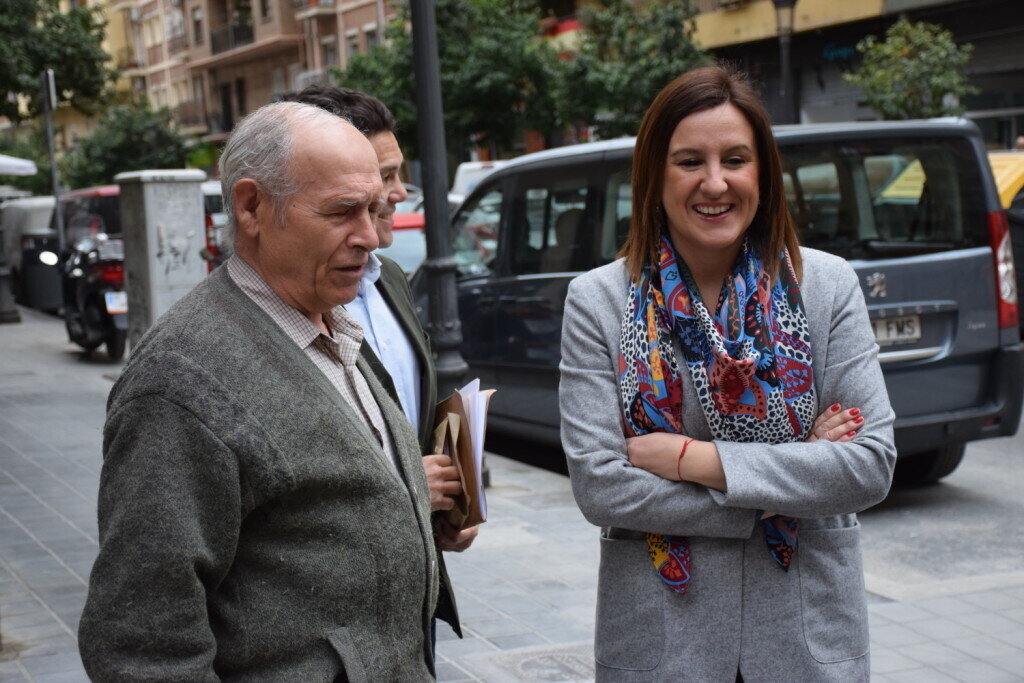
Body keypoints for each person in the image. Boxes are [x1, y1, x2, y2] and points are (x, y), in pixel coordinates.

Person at [79, 102, 439, 680]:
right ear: (252, 207)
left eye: (373, 209)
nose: (371, 237)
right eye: (342, 211)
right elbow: (142, 644)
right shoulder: (179, 382)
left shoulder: (331, 320)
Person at [558, 65, 896, 681]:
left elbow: (868, 466)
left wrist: (692, 460)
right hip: (662, 643)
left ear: (762, 172)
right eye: (690, 161)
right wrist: (793, 473)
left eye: (735, 160)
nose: (715, 183)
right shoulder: (598, 301)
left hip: (806, 638)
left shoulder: (826, 286)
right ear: (654, 174)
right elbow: (601, 486)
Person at [282, 85, 478, 638]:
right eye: (381, 176)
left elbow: (407, 416)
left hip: (412, 587)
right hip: (335, 617)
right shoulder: (295, 299)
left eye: (397, 173)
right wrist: (406, 486)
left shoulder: (389, 277)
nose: (396, 193)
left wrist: (450, 505)